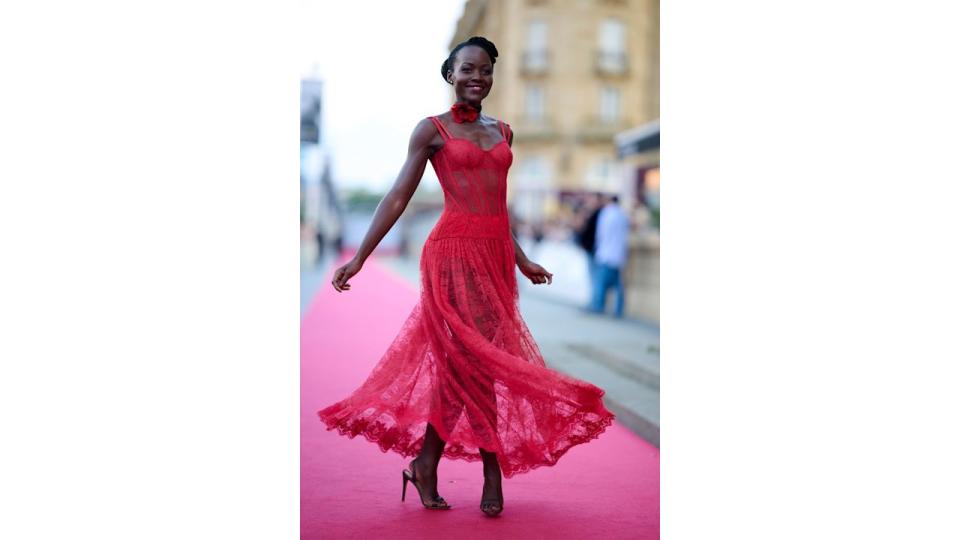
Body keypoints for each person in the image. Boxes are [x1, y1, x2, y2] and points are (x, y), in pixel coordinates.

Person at [319, 36, 614, 518]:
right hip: (452, 255)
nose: (478, 77)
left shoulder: (506, 132)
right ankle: (491, 471)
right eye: (468, 70)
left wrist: (521, 259)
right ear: (450, 75)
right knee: (476, 363)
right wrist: (360, 258)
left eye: (486, 70)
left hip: (495, 257)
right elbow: (397, 196)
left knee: (471, 366)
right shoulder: (430, 130)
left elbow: (495, 207)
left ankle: (425, 465)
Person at [589, 194, 630, 317]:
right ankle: (618, 309)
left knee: (601, 283)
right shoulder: (622, 215)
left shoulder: (606, 214)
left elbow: (601, 234)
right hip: (618, 255)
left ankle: (598, 306)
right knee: (618, 285)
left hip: (605, 253)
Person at [575, 193, 603, 308]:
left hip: (594, 250)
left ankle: (596, 303)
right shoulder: (592, 213)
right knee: (592, 277)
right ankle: (594, 302)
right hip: (591, 249)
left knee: (595, 277)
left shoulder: (599, 214)